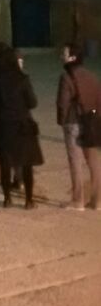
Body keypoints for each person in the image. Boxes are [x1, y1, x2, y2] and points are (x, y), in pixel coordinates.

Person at [0, 45, 43, 209]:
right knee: (26, 164)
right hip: (22, 126)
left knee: (4, 164)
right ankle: (29, 200)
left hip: (2, 126)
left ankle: (7, 199)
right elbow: (32, 102)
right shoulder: (22, 79)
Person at [56, 44, 101, 211]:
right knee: (94, 162)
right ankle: (98, 200)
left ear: (72, 57)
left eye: (65, 53)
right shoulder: (91, 76)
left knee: (75, 161)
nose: (62, 56)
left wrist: (62, 120)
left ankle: (78, 200)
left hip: (73, 122)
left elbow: (62, 103)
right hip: (92, 122)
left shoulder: (66, 77)